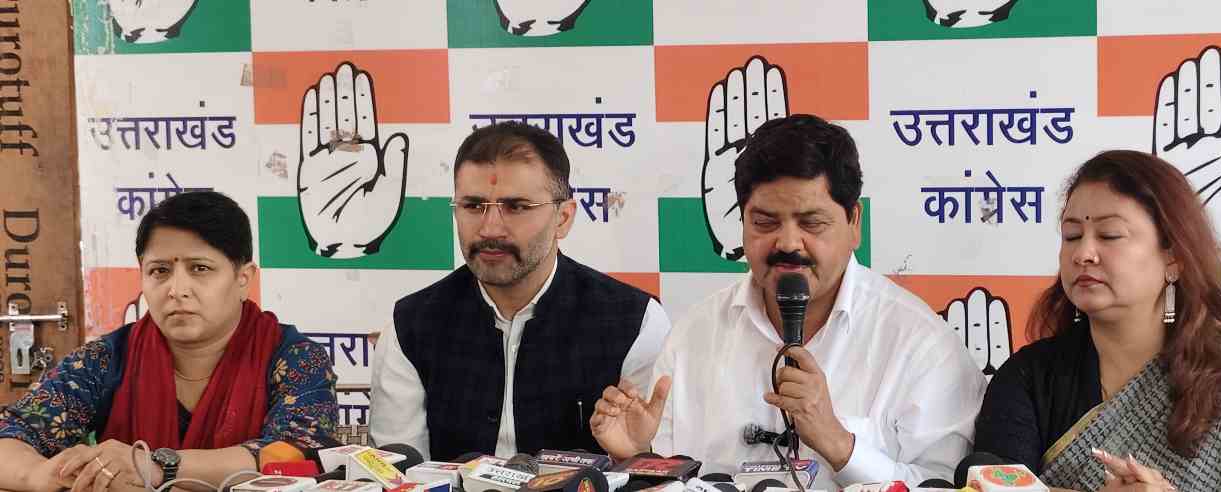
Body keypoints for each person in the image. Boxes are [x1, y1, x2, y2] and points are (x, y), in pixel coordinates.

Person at [588, 114, 987, 486]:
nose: (788, 243)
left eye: (811, 223)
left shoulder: (921, 344)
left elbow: (948, 486)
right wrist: (639, 457)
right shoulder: (693, 336)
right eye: (765, 223)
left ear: (854, 223)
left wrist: (840, 445)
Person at [974, 150, 1221, 491]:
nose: (1083, 253)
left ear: (1173, 257)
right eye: (1072, 236)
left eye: (1109, 235)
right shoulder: (1029, 378)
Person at [370, 122, 671, 460]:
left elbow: (657, 467)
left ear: (563, 218)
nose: (490, 228)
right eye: (473, 206)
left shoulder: (635, 322)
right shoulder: (411, 325)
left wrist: (636, 455)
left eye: (516, 207)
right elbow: (397, 473)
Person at [0, 191, 338, 492]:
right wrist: (46, 474)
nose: (177, 290)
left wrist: (157, 466)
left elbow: (299, 452)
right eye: (159, 271)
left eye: (200, 268)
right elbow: (11, 434)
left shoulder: (294, 358)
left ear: (243, 279)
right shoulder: (106, 360)